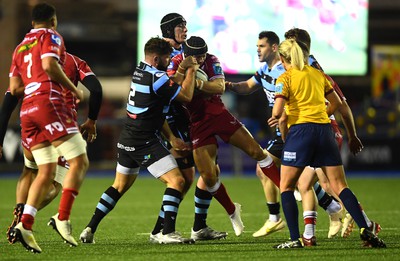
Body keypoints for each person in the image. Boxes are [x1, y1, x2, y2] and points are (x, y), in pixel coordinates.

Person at [225, 31, 344, 243]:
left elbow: (316, 92)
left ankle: (340, 212)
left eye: (261, 46)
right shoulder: (264, 70)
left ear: (274, 48)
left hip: (298, 129)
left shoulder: (291, 69)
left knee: (309, 180)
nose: (257, 50)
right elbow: (248, 87)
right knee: (266, 169)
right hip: (284, 130)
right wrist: (229, 86)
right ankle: (280, 217)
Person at [81, 36, 198, 245]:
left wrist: (170, 137)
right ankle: (166, 232)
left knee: (118, 186)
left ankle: (89, 228)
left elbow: (159, 104)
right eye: (166, 59)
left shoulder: (140, 71)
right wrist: (190, 69)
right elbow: (187, 96)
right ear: (155, 59)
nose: (169, 62)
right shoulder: (157, 77)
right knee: (177, 181)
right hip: (143, 141)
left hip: (127, 137)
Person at [271, 39, 386, 249]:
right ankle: (365, 229)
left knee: (286, 187)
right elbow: (337, 103)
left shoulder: (284, 78)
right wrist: (319, 115)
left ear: (282, 58)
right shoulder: (318, 74)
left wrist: (286, 128)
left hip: (300, 132)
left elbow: (278, 113)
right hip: (325, 131)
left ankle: (295, 239)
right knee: (340, 186)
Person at [168, 36, 282, 237]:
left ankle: (286, 189)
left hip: (219, 114)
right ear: (187, 55)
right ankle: (232, 211)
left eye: (203, 55)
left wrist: (197, 83)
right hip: (196, 122)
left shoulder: (212, 60)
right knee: (208, 176)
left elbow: (219, 87)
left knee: (256, 151)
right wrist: (185, 76)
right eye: (197, 57)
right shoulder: (176, 62)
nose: (202, 59)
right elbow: (172, 87)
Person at [8, 3, 88, 253]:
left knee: (46, 170)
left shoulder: (20, 47)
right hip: (48, 104)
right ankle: (62, 217)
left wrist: (32, 85)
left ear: (32, 22)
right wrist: (73, 89)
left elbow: (14, 88)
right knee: (80, 161)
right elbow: (49, 66)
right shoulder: (51, 36)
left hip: (27, 110)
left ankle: (25, 224)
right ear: (53, 21)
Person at [2, 51, 103, 244]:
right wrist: (91, 120)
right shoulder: (73, 61)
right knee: (58, 179)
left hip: (30, 120)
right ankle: (27, 217)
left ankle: (20, 208)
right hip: (58, 123)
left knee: (30, 170)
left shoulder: (26, 61)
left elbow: (8, 103)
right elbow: (96, 90)